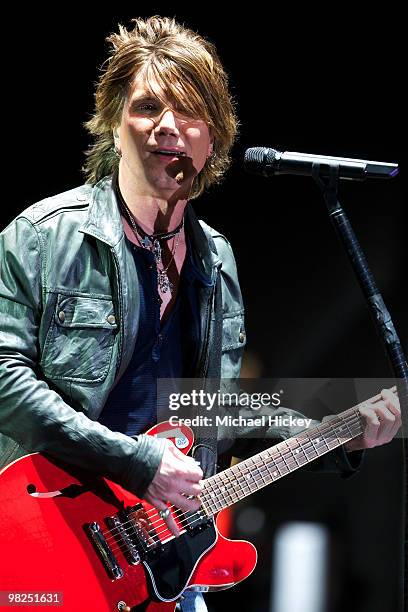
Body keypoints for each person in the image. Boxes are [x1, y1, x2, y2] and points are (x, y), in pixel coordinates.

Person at [0, 16, 401, 612]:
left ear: (212, 138)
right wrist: (137, 464)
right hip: (55, 541)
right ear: (114, 124)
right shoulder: (41, 237)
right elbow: (5, 380)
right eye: (145, 107)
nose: (167, 126)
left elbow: (215, 415)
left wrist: (341, 435)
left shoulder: (217, 263)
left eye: (187, 111)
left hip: (172, 567)